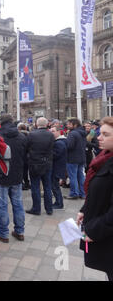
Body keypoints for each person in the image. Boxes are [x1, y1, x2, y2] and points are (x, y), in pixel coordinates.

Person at [77, 117, 113, 281]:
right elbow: (100, 192)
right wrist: (85, 209)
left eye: (105, 134)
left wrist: (94, 231)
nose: (99, 137)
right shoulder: (105, 158)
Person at [0, 114, 27, 244]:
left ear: (0, 123)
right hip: (17, 175)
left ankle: (4, 234)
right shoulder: (22, 136)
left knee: (2, 206)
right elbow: (25, 155)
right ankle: (19, 231)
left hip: (2, 176)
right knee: (18, 204)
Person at [26, 117, 55, 216]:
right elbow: (52, 148)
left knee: (35, 187)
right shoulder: (51, 135)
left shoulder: (32, 134)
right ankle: (49, 209)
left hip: (35, 164)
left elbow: (27, 148)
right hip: (47, 163)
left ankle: (36, 208)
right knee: (47, 186)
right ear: (46, 124)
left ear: (36, 124)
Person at [65, 118, 87, 200]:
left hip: (72, 158)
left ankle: (74, 193)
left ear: (75, 124)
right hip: (81, 157)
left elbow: (69, 146)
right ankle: (83, 193)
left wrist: (65, 142)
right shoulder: (82, 133)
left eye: (69, 124)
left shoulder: (73, 133)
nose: (67, 125)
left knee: (73, 176)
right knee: (81, 176)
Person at [50, 126, 68, 210]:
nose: (51, 132)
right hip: (58, 167)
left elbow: (56, 155)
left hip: (57, 167)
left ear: (58, 132)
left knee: (55, 186)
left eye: (53, 131)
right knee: (54, 186)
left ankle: (59, 203)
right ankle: (58, 202)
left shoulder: (59, 143)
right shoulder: (60, 141)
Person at [18, 123, 30, 190]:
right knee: (26, 171)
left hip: (21, 155)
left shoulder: (19, 135)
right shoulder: (29, 135)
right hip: (27, 156)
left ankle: (22, 184)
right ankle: (27, 183)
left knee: (21, 170)